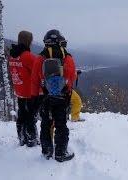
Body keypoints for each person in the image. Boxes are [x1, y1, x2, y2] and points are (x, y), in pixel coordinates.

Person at [31, 29, 76, 162]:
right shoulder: (67, 57)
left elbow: (34, 80)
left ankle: (47, 151)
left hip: (45, 97)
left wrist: (34, 98)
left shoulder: (40, 57)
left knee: (46, 124)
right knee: (61, 124)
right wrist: (66, 91)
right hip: (62, 98)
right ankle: (61, 153)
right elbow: (71, 77)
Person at [8, 30, 38, 147]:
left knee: (21, 115)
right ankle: (31, 140)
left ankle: (22, 138)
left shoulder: (13, 56)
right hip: (29, 92)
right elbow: (39, 73)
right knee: (30, 116)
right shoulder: (28, 57)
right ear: (28, 41)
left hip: (19, 90)